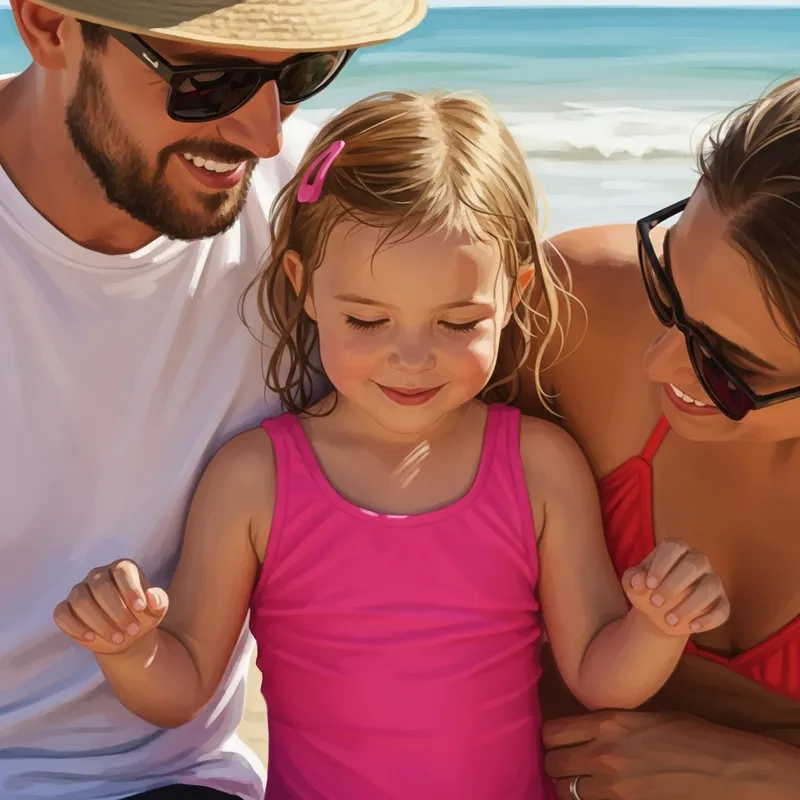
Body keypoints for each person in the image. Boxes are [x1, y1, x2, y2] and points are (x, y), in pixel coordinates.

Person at [53, 90, 730, 800]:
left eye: (457, 323)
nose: (412, 359)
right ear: (304, 286)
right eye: (367, 321)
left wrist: (658, 625)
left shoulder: (539, 466)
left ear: (513, 294)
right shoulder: (255, 479)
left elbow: (597, 674)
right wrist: (129, 647)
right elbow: (183, 687)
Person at [0, 0, 426, 798]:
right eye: (208, 83)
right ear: (50, 26)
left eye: (300, 74)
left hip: (176, 778)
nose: (264, 136)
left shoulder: (318, 218)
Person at [514, 76, 800, 800]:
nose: (657, 363)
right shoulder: (575, 312)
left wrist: (763, 774)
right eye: (666, 285)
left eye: (729, 365)